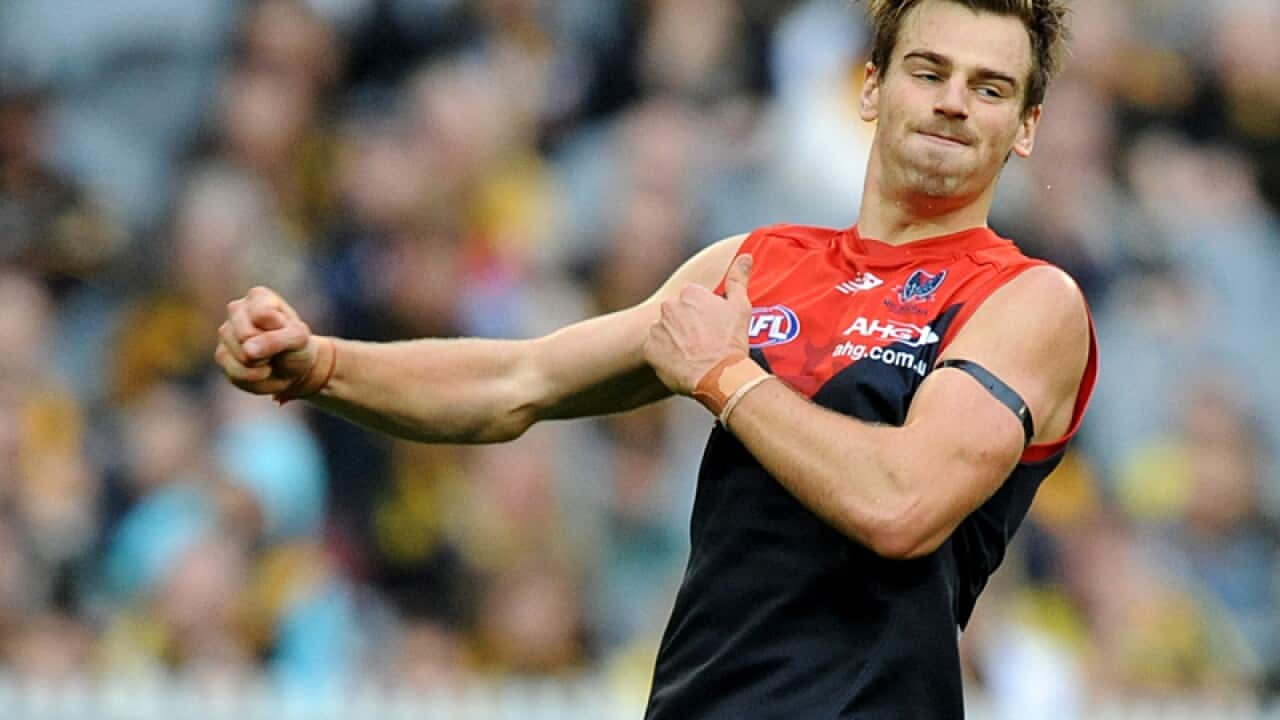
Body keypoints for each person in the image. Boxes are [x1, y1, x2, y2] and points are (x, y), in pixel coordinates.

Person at [214, 0, 1097, 717]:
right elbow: (518, 381)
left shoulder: (1027, 301)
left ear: (1024, 128)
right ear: (869, 87)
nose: (952, 102)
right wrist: (325, 367)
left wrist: (725, 377)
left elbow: (902, 507)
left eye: (989, 88)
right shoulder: (757, 264)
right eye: (928, 70)